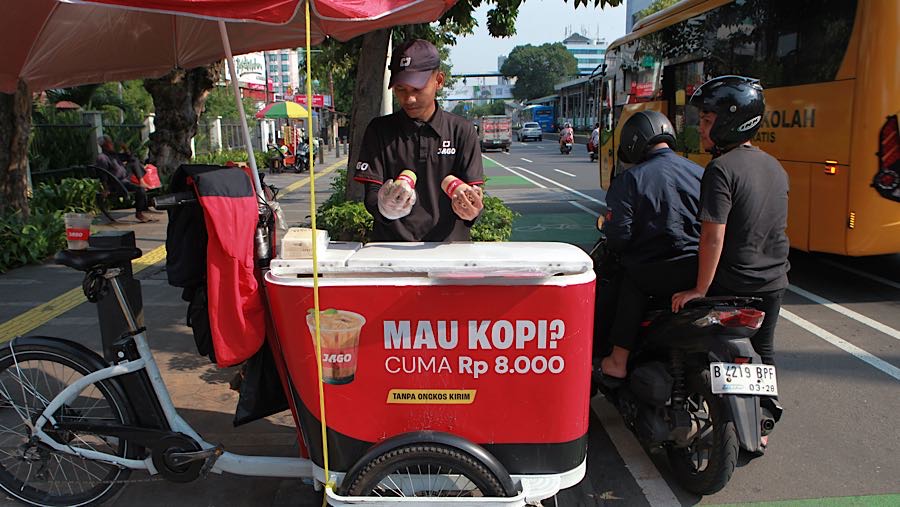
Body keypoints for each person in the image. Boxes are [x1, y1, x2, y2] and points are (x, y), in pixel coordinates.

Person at [671, 76, 790, 369]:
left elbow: (712, 236)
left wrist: (700, 289)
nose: (700, 128)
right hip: (774, 282)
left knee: (691, 342)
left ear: (729, 123)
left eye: (707, 120)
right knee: (764, 351)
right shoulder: (775, 166)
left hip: (733, 283)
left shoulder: (721, 169)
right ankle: (767, 396)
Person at [596, 111, 705, 379]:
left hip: (653, 273)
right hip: (700, 269)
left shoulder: (630, 180)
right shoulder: (700, 173)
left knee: (627, 283)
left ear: (633, 141)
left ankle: (618, 361)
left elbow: (619, 237)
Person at [352, 39, 484, 241]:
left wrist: (471, 211)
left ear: (439, 80)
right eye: (401, 89)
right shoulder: (379, 130)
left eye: (417, 89)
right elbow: (372, 194)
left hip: (448, 249)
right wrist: (384, 207)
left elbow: (473, 193)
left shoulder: (462, 130)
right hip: (392, 248)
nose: (409, 99)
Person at [95, 135, 154, 222]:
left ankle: (141, 181)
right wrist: (106, 188)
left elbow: (131, 157)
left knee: (134, 161)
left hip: (125, 178)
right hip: (117, 183)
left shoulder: (113, 155)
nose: (112, 144)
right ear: (104, 145)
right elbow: (102, 174)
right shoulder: (102, 157)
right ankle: (139, 214)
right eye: (110, 143)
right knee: (140, 190)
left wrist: (125, 149)